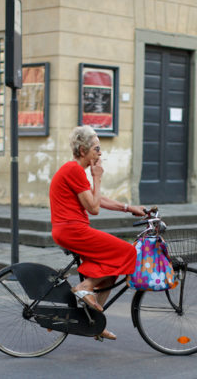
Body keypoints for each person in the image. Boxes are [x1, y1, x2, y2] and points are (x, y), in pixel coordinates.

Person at [49, 126, 146, 341]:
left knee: (113, 270)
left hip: (71, 229)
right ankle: (85, 287)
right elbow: (94, 208)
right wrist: (98, 177)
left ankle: (94, 322)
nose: (100, 153)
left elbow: (97, 199)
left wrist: (130, 208)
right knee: (128, 252)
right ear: (83, 150)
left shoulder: (75, 171)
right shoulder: (74, 170)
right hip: (72, 230)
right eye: (96, 148)